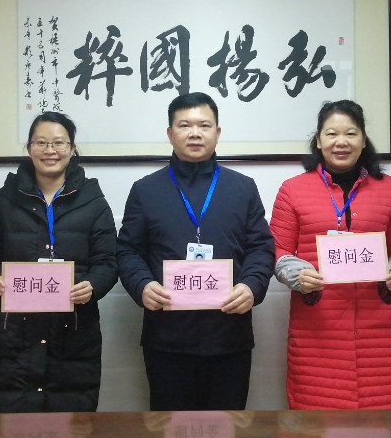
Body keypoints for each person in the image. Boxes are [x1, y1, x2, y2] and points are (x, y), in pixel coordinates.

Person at [117, 92, 275, 411]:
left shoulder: (242, 187)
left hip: (229, 333)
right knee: (169, 426)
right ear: (169, 133)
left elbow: (261, 246)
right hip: (167, 337)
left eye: (204, 125)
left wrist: (251, 286)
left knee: (228, 426)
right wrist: (142, 284)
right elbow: (128, 250)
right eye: (184, 125)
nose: (195, 133)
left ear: (217, 132)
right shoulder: (146, 189)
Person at [269, 99, 391, 410]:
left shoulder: (389, 188)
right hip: (317, 327)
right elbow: (277, 249)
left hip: (379, 330)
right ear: (318, 140)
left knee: (384, 419)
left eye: (351, 133)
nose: (341, 142)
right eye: (331, 133)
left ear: (363, 140)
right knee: (316, 420)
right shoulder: (292, 189)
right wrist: (297, 275)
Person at [0, 112, 117, 413]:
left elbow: (108, 260)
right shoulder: (5, 201)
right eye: (41, 142)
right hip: (14, 337)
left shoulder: (93, 202)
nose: (50, 150)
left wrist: (93, 285)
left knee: (71, 424)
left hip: (73, 336)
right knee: (10, 425)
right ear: (29, 148)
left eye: (58, 143)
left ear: (72, 148)